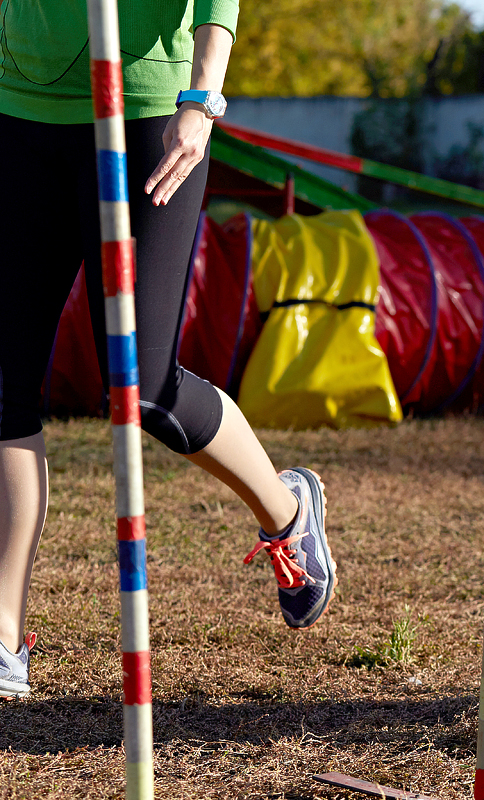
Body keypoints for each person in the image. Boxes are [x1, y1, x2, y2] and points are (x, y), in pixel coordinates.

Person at [0, 1, 337, 699]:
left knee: (141, 387)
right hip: (18, 104)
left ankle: (288, 510)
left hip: (148, 108)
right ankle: (3, 635)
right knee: (4, 386)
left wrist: (201, 97)